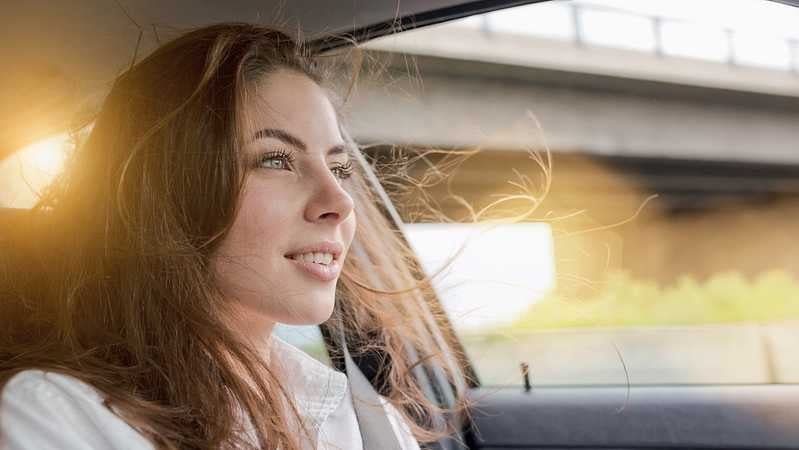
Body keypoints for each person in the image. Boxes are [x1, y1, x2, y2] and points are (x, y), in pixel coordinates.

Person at [0, 23, 468, 449]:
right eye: (276, 160)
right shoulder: (59, 417)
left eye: (340, 167)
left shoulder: (364, 420)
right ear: (165, 192)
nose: (341, 202)